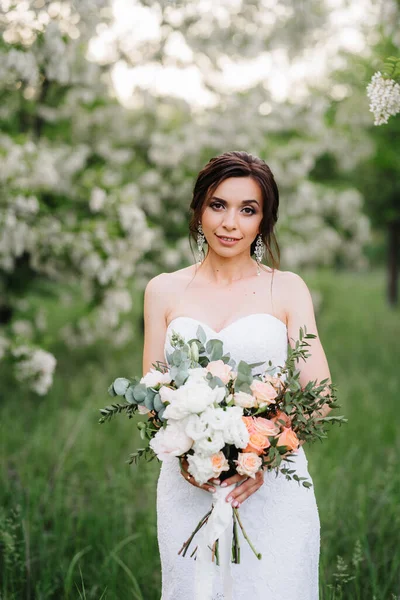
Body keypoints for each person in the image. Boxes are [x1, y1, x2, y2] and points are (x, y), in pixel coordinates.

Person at [142, 151, 332, 599]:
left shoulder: (286, 289)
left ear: (264, 221)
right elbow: (151, 393)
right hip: (189, 485)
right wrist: (192, 457)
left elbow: (319, 399)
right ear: (198, 210)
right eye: (218, 205)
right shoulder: (162, 289)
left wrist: (260, 457)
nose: (230, 223)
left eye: (248, 210)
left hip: (274, 485)